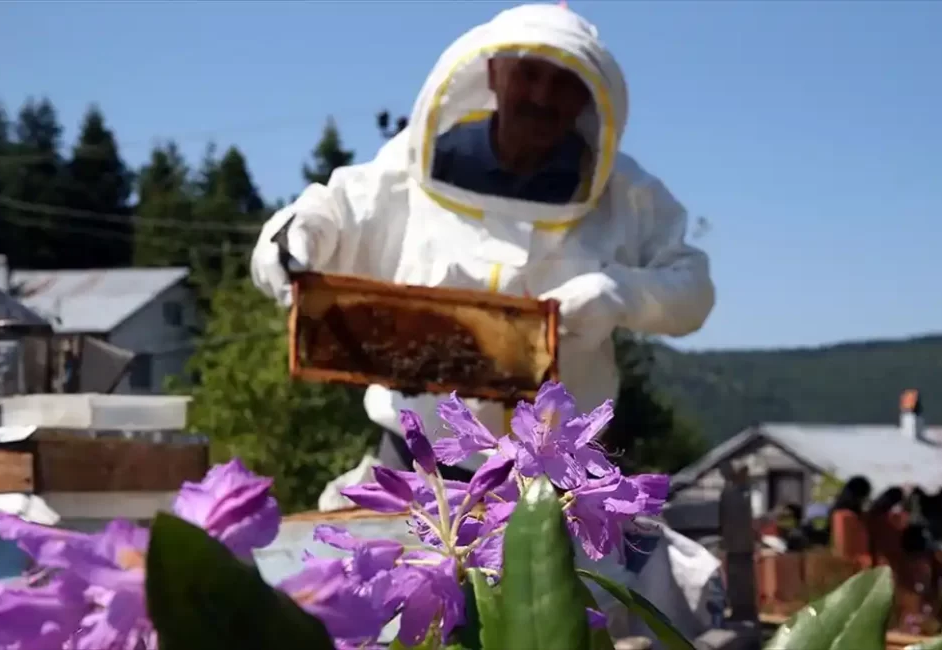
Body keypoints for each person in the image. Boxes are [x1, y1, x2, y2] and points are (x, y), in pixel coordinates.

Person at [251, 3, 717, 641]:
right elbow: (319, 219)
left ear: (589, 97)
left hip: (554, 496)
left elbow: (694, 290)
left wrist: (618, 293)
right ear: (492, 73)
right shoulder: (408, 169)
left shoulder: (625, 194)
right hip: (419, 486)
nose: (543, 96)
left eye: (564, 83)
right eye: (529, 73)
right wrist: (291, 244)